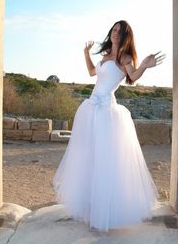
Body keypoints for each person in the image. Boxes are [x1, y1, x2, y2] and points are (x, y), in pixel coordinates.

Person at [52, 20, 165, 232]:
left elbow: (133, 76)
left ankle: (105, 212)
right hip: (90, 109)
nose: (115, 34)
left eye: (120, 32)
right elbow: (91, 73)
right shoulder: (105, 56)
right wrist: (86, 52)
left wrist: (144, 66)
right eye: (114, 30)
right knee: (88, 156)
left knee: (105, 160)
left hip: (106, 112)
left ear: (125, 37)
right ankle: (91, 205)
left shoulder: (125, 57)